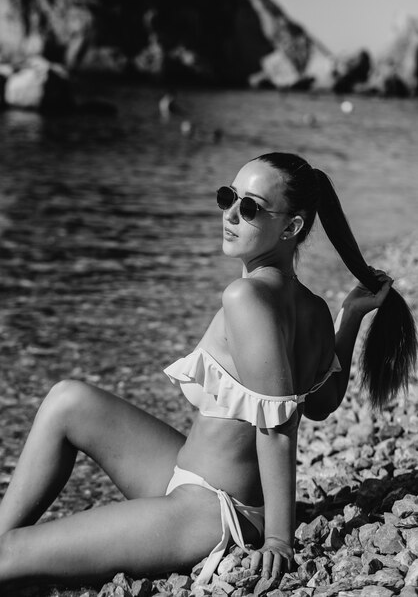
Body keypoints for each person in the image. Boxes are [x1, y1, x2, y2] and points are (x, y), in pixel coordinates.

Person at [0, 153, 416, 589]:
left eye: (250, 207)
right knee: (68, 399)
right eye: (228, 197)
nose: (230, 214)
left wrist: (278, 538)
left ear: (290, 228)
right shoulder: (312, 307)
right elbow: (323, 404)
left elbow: (278, 425)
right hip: (186, 474)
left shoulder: (246, 298)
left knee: (9, 555)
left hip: (214, 510)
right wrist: (350, 318)